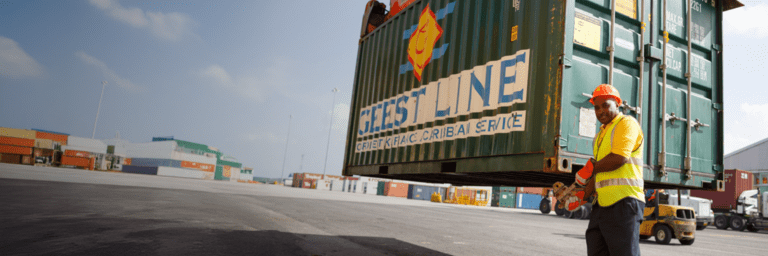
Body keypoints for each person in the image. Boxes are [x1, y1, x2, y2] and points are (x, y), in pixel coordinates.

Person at [568, 84, 646, 256]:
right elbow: (599, 173)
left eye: (605, 105)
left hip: (624, 202)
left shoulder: (627, 123)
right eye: (596, 107)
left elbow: (619, 158)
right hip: (602, 204)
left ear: (617, 104)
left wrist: (590, 168)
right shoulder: (600, 135)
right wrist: (583, 195)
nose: (600, 111)